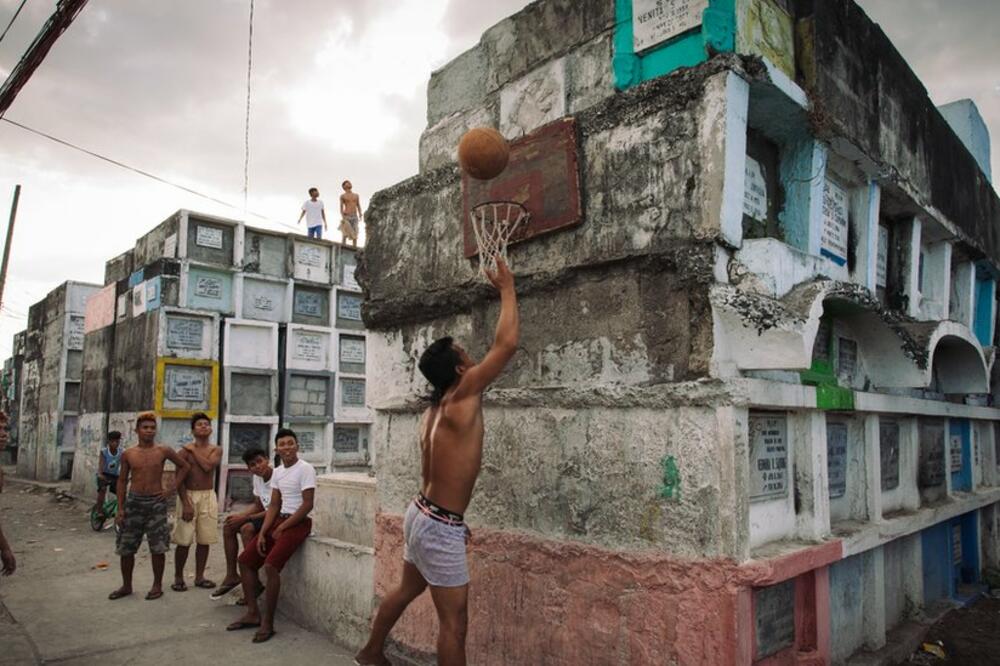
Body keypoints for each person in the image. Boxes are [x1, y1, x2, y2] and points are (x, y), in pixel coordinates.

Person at [355, 258, 519, 666]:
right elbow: (507, 345)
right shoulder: (463, 394)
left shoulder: (434, 410)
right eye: (466, 354)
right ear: (461, 369)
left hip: (423, 513)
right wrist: (507, 288)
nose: (473, 357)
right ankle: (371, 652)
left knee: (407, 590)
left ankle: (371, 652)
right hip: (437, 522)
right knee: (454, 623)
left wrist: (452, 523)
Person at [227, 428, 315, 643]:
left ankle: (268, 622)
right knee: (245, 561)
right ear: (276, 449)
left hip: (298, 523)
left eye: (290, 443)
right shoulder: (278, 473)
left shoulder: (305, 469)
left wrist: (284, 528)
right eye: (282, 444)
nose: (287, 448)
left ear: (297, 446)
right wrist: (265, 531)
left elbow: (307, 505)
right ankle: (252, 613)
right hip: (278, 520)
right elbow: (274, 505)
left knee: (270, 566)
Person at [109, 413, 193, 601]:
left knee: (158, 546)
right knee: (126, 547)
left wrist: (171, 489)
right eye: (145, 427)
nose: (149, 431)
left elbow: (185, 466)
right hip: (134, 502)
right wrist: (120, 508)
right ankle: (126, 585)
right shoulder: (129, 454)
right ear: (137, 430)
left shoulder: (163, 450)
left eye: (152, 428)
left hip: (156, 503)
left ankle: (157, 585)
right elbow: (122, 481)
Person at [211, 447, 274, 600]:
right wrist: (239, 515)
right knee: (229, 525)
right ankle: (232, 575)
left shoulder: (278, 477)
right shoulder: (257, 478)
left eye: (260, 461)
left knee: (247, 528)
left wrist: (246, 518)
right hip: (264, 515)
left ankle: (253, 581)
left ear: (267, 459)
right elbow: (258, 505)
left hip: (277, 517)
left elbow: (276, 509)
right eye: (253, 464)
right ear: (249, 468)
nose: (258, 466)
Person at [171, 413, 222, 591]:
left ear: (211, 429)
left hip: (208, 495)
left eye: (206, 424)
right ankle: (178, 577)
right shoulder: (183, 452)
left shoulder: (215, 449)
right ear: (193, 430)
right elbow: (178, 478)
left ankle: (200, 577)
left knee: (204, 539)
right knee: (184, 540)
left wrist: (193, 450)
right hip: (189, 495)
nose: (203, 427)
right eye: (199, 424)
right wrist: (185, 502)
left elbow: (208, 467)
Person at [94, 431, 123, 519]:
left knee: (121, 493)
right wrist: (100, 474)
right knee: (102, 490)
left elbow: (125, 464)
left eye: (117, 442)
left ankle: (120, 510)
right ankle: (99, 510)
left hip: (114, 475)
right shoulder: (104, 452)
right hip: (104, 474)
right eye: (113, 441)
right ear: (109, 442)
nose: (115, 444)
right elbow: (101, 464)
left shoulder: (122, 452)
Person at [339, 180, 363, 247]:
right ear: (344, 186)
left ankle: (354, 247)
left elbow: (358, 205)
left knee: (355, 232)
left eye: (350, 183)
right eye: (347, 183)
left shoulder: (356, 195)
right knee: (345, 232)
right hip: (346, 216)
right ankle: (343, 246)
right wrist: (342, 216)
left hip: (354, 216)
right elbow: (341, 207)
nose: (349, 184)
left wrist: (360, 213)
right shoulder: (343, 196)